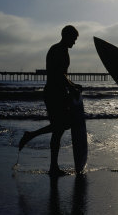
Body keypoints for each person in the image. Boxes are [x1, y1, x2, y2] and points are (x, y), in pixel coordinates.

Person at [19, 25, 82, 176]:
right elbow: (59, 74)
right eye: (73, 39)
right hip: (53, 93)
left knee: (59, 129)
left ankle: (53, 167)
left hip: (61, 93)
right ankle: (31, 136)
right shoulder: (56, 50)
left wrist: (72, 85)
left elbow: (64, 75)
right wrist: (72, 87)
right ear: (66, 36)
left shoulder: (64, 51)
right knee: (60, 126)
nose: (74, 42)